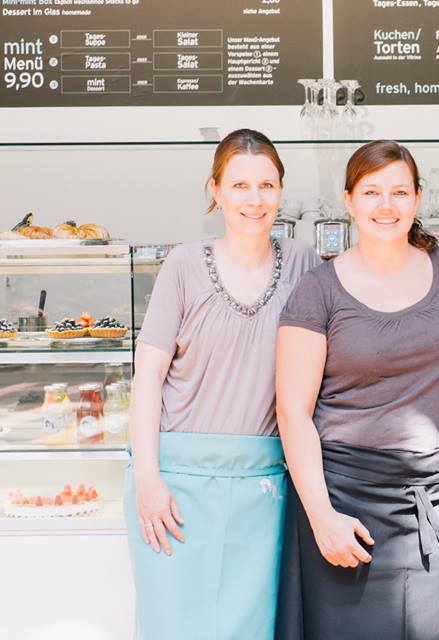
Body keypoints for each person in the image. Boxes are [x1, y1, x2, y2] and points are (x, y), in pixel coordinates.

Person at [274, 140, 439, 640]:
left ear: (417, 198)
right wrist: (322, 518)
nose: (385, 206)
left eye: (398, 192)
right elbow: (293, 412)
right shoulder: (319, 289)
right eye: (371, 192)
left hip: (431, 498)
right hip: (343, 500)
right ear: (349, 200)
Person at [125, 129, 321, 639]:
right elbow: (147, 379)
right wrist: (148, 481)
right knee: (174, 627)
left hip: (264, 485)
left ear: (281, 190)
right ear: (215, 190)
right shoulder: (184, 265)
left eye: (266, 185)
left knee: (251, 627)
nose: (254, 200)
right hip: (174, 484)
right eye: (239, 186)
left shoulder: (304, 263)